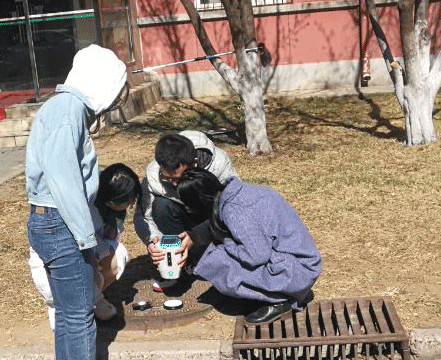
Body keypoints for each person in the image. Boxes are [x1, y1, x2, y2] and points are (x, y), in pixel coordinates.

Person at [25, 44, 132, 360]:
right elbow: (64, 178)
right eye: (116, 87)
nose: (115, 98)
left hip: (48, 219)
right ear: (101, 82)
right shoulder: (68, 111)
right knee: (78, 312)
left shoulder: (63, 109)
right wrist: (87, 236)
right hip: (60, 221)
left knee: (66, 307)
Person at [176, 168, 322, 324]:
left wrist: (226, 243)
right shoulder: (237, 192)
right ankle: (276, 292)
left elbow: (257, 255)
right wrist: (196, 236)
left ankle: (279, 301)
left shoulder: (234, 210)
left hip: (297, 271)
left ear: (199, 201)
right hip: (301, 263)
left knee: (217, 258)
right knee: (220, 252)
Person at [29, 163, 141, 328]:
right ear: (112, 201)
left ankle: (86, 304)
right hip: (57, 277)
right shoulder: (80, 212)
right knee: (79, 276)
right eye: (129, 201)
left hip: (75, 267)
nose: (131, 205)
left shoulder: (101, 207)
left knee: (111, 255)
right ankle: (84, 305)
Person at [133, 131, 237, 279]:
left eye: (178, 178)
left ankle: (215, 257)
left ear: (194, 162)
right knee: (161, 206)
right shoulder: (152, 174)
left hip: (210, 217)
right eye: (167, 178)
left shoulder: (219, 164)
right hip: (181, 217)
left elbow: (232, 209)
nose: (175, 185)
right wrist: (152, 241)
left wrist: (196, 235)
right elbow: (144, 215)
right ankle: (180, 263)